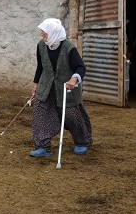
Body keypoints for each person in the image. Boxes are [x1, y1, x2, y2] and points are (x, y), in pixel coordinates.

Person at [29, 18, 93, 157]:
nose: (41, 34)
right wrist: (36, 84)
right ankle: (43, 147)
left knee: (72, 116)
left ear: (53, 32)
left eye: (44, 32)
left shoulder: (68, 48)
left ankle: (82, 141)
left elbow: (80, 67)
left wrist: (73, 79)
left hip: (66, 88)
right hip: (46, 87)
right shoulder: (41, 46)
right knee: (40, 113)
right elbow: (40, 67)